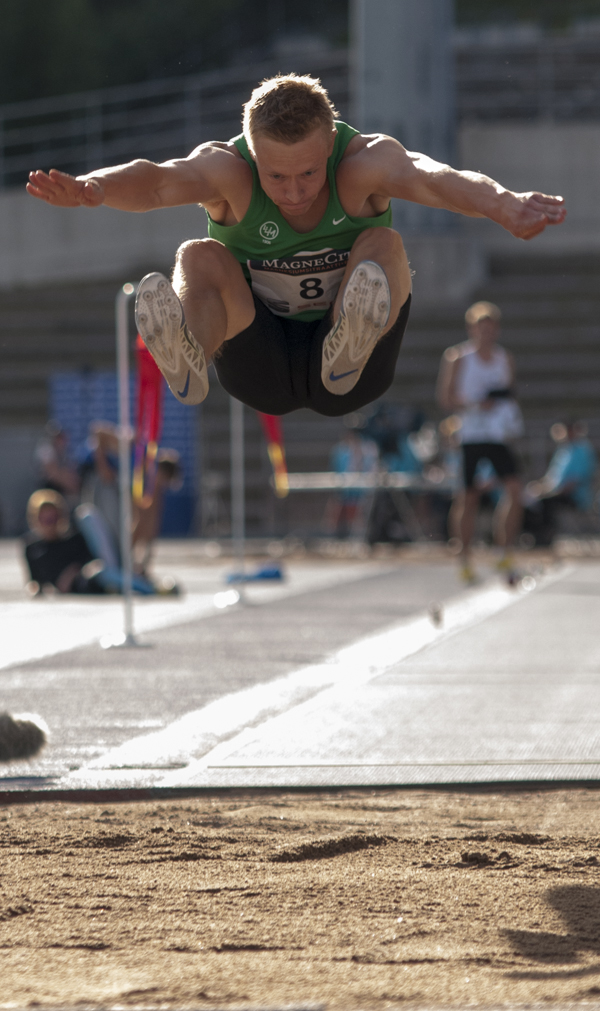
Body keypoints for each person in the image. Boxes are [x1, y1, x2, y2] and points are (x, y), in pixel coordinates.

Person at [27, 74, 565, 419]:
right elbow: (158, 181)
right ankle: (188, 355)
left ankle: (350, 338)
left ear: (330, 143)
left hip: (353, 373)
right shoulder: (228, 171)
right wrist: (94, 188)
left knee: (384, 242)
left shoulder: (363, 163)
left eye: (308, 173)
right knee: (198, 255)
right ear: (251, 154)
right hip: (258, 360)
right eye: (275, 176)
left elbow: (432, 177)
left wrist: (502, 204)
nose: (294, 193)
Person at [436, 301, 525, 583]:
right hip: (471, 435)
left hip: (497, 435)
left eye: (490, 328)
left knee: (514, 490)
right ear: (472, 329)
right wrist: (476, 405)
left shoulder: (504, 358)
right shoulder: (458, 357)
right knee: (468, 497)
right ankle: (464, 557)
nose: (486, 333)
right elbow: (445, 398)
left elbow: (509, 395)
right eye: (481, 328)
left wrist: (507, 417)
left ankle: (505, 552)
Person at [524, 421, 597, 544]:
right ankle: (531, 535)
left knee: (546, 502)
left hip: (574, 496)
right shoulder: (563, 450)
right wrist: (538, 488)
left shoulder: (582, 450)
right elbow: (551, 477)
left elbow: (573, 482)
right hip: (557, 492)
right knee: (527, 500)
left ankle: (546, 538)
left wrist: (548, 492)